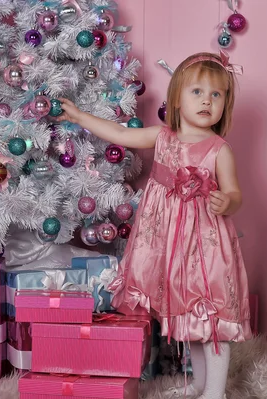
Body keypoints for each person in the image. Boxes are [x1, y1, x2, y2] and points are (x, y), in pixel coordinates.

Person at [57, 50, 251, 399]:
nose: (206, 101)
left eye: (216, 95)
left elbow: (235, 192)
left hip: (204, 245)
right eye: (197, 92)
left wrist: (228, 200)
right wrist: (81, 117)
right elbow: (118, 133)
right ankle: (199, 383)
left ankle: (216, 391)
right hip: (166, 243)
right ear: (176, 99)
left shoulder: (220, 150)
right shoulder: (161, 137)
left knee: (208, 313)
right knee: (184, 312)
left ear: (225, 105)